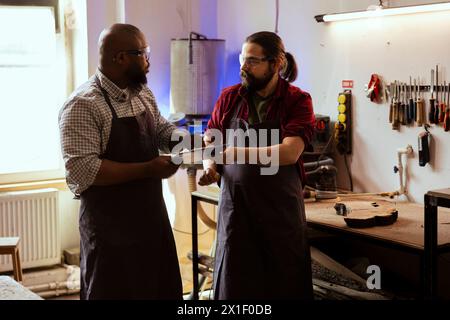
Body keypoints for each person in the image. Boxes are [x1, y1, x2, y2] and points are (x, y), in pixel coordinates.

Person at [59, 24, 182, 300]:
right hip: (110, 231)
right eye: (143, 53)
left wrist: (191, 141)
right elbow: (84, 170)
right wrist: (149, 169)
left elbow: (162, 131)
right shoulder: (83, 105)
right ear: (121, 58)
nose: (149, 61)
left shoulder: (142, 93)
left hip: (151, 222)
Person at [199, 31, 315, 300]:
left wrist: (235, 152)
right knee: (235, 288)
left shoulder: (297, 100)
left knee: (282, 285)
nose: (243, 67)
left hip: (279, 216)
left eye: (253, 61)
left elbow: (289, 153)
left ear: (277, 63)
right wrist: (210, 167)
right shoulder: (230, 97)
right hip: (236, 215)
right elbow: (211, 142)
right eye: (243, 59)